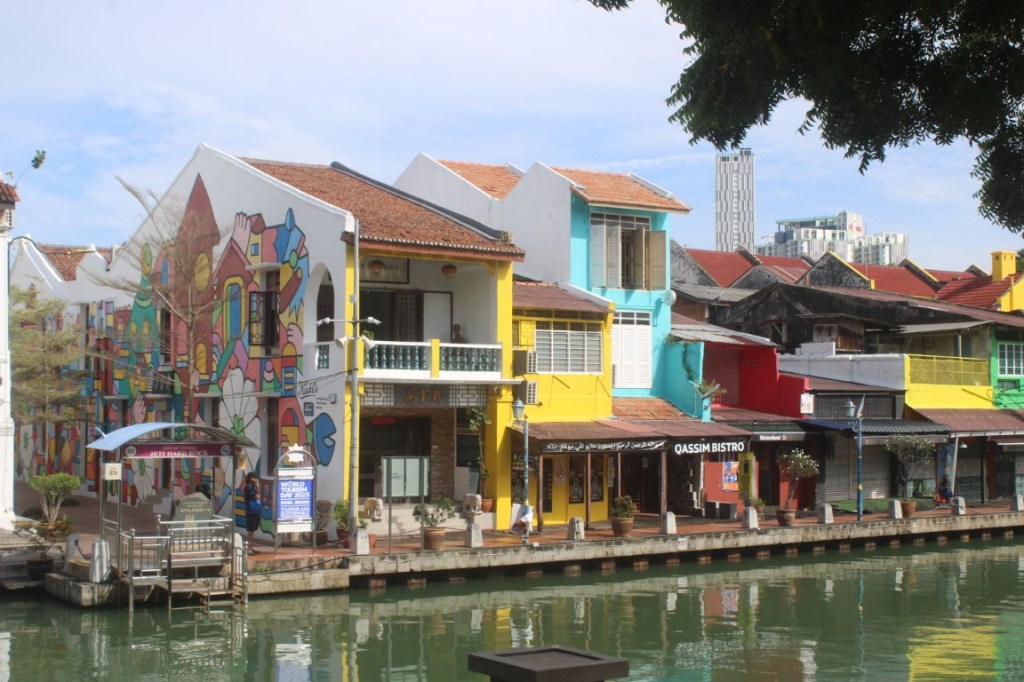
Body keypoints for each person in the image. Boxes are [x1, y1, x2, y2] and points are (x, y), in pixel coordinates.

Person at [244, 473, 261, 554]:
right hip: (250, 510)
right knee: (250, 530)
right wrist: (257, 487)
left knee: (253, 530)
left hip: (255, 510)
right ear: (251, 478)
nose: (256, 479)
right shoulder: (248, 487)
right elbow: (257, 496)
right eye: (254, 478)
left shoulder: (253, 487)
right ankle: (247, 548)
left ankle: (250, 547)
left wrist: (257, 487)